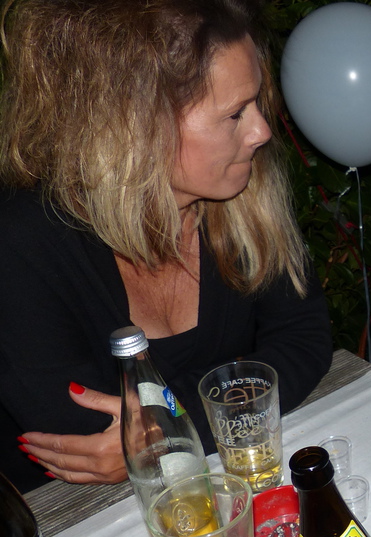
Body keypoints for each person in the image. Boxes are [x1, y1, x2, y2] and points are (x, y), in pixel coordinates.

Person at [0, 0, 332, 493]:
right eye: (235, 113)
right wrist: (224, 400)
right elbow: (82, 434)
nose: (261, 131)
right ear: (135, 127)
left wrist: (168, 429)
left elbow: (304, 338)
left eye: (256, 103)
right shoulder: (23, 240)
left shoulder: (244, 194)